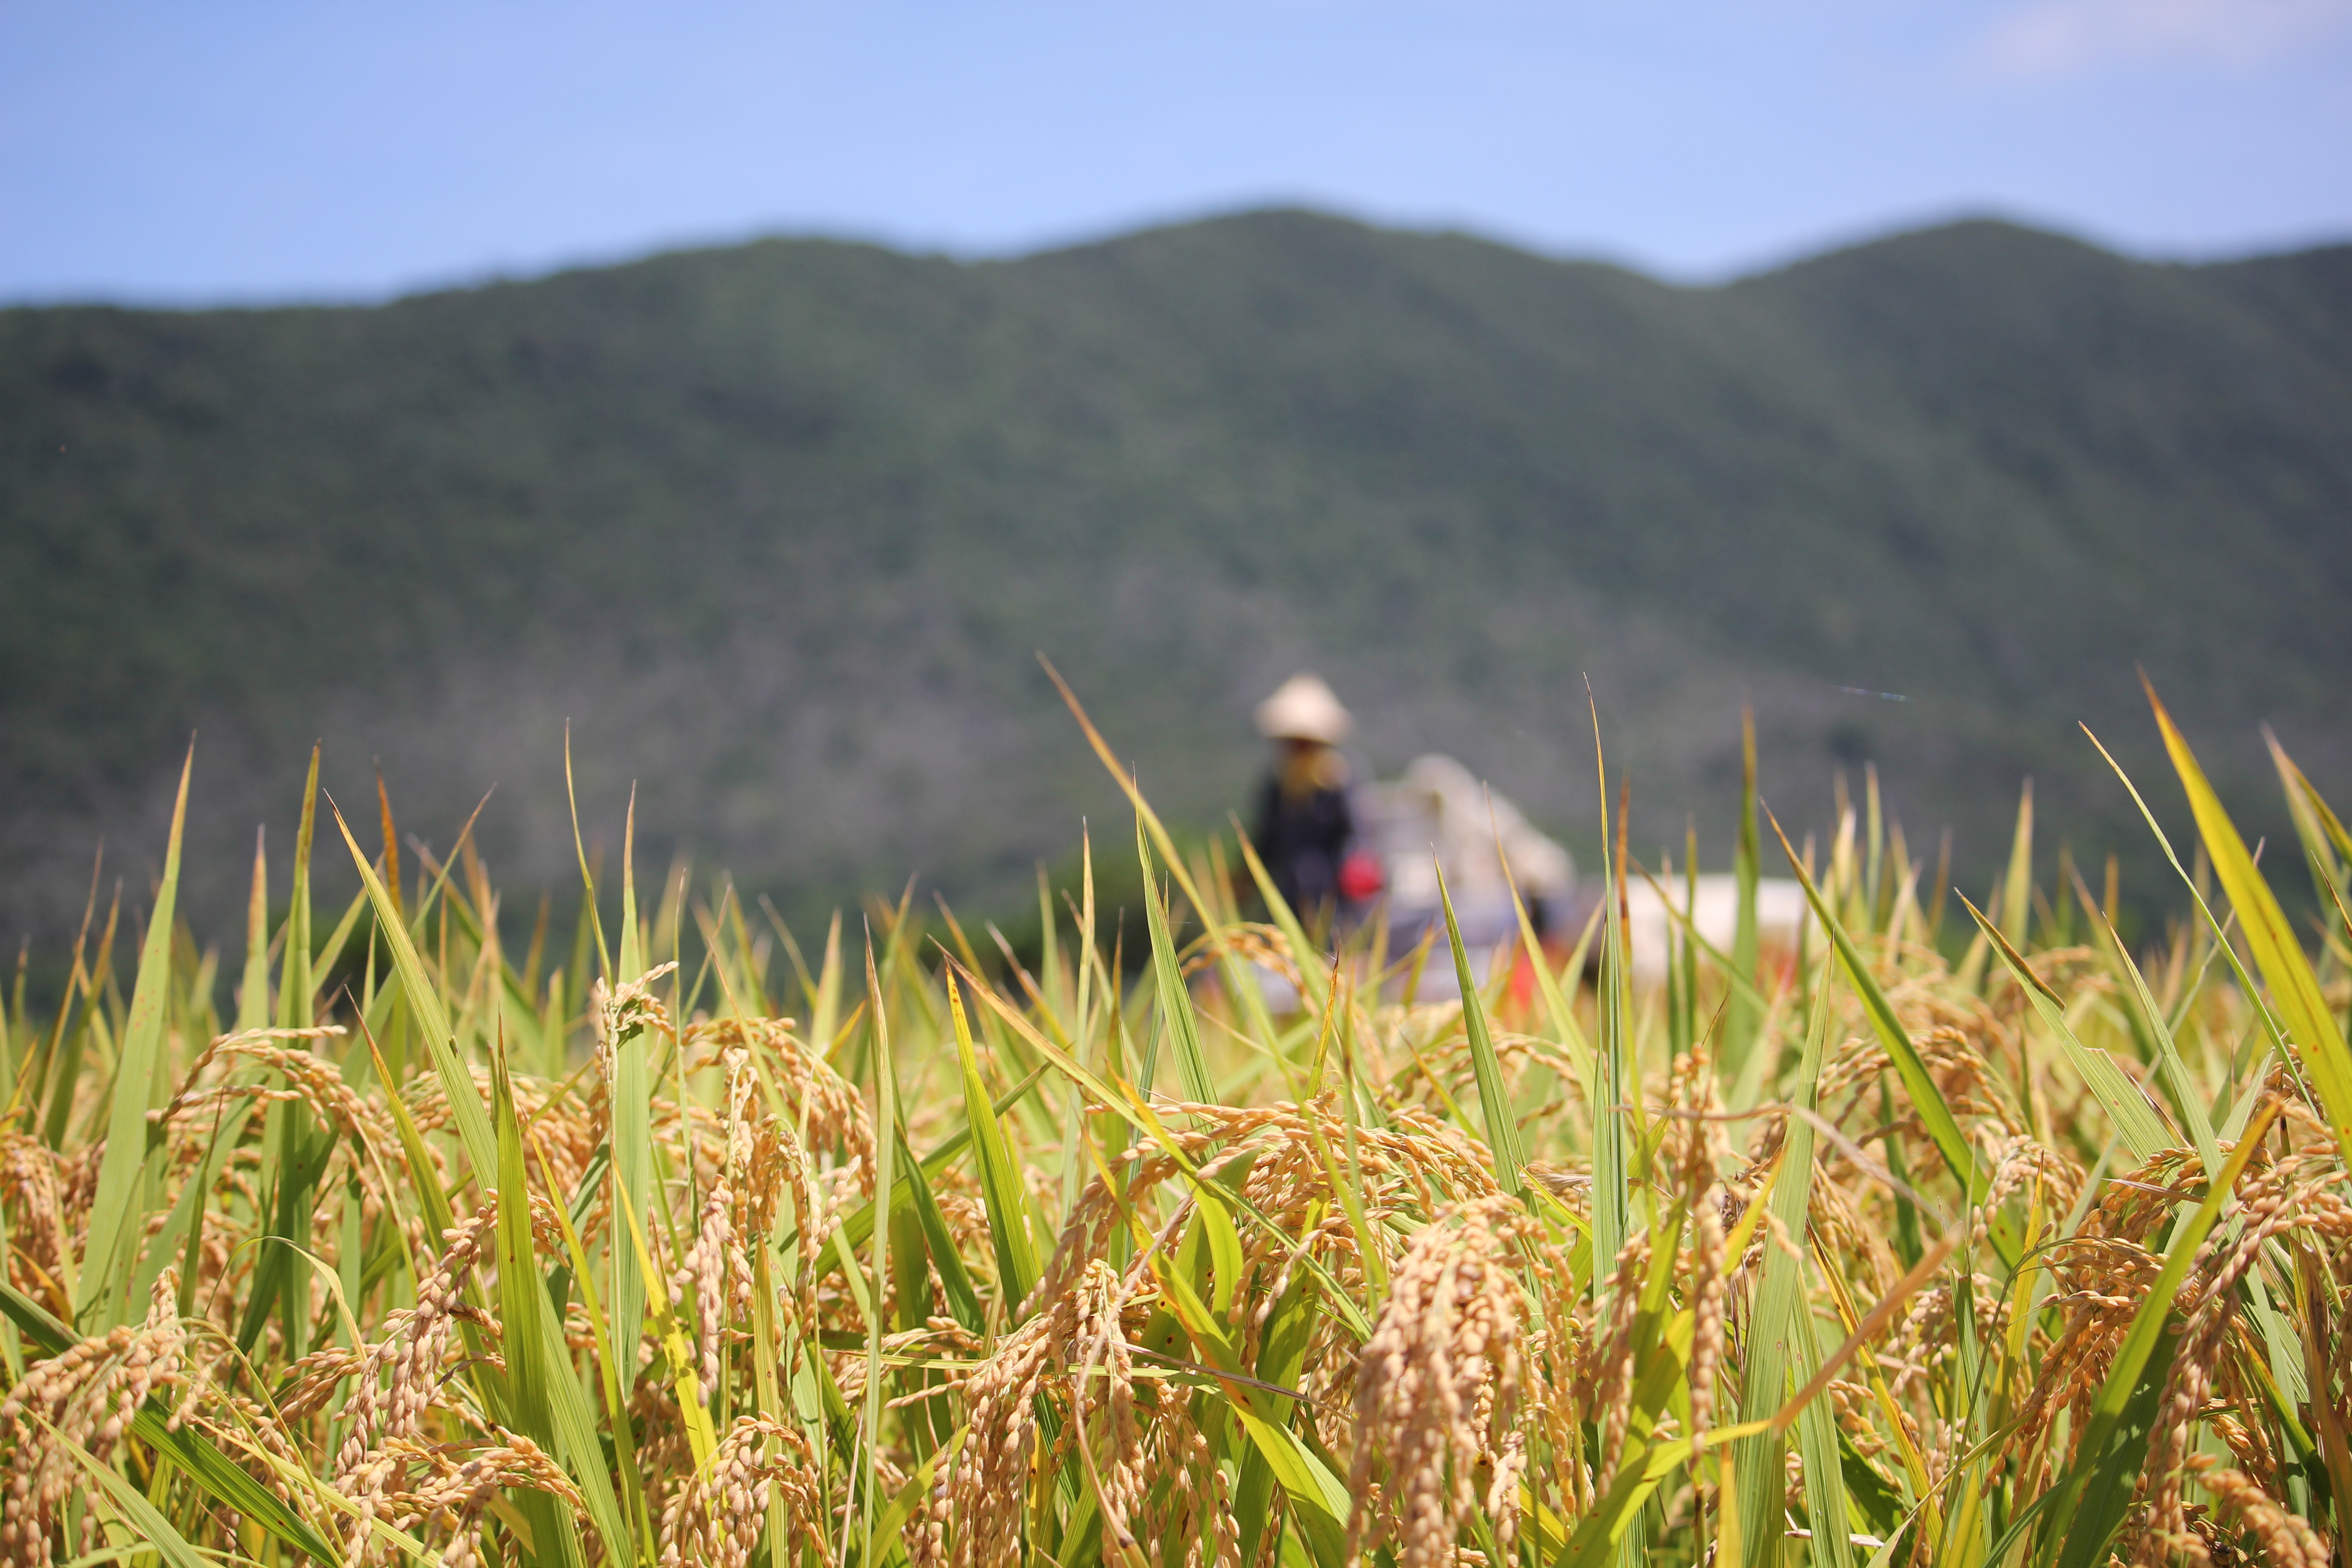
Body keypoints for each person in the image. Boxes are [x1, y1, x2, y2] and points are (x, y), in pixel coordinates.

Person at [1250, 673, 1374, 918]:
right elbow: (1265, 841)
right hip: (1286, 893)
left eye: (1304, 743)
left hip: (1332, 896)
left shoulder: (1339, 781)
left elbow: (1357, 834)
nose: (1297, 750)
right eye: (1292, 743)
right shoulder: (1279, 785)